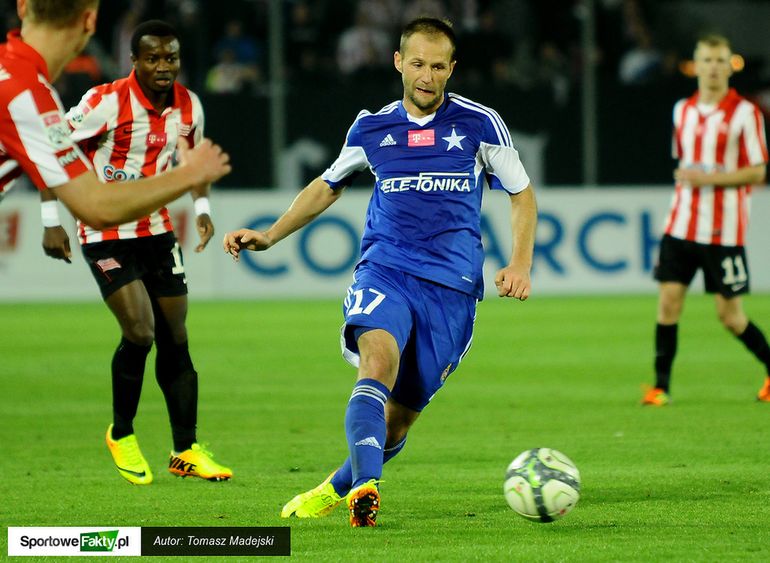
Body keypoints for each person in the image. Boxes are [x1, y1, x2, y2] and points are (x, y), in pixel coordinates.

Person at [223, 17, 537, 527]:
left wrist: (520, 261)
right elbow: (328, 184)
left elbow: (521, 193)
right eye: (418, 64)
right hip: (386, 270)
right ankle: (366, 488)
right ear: (398, 63)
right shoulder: (371, 128)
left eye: (439, 67)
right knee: (377, 362)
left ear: (452, 68)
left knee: (396, 423)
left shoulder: (481, 123)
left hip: (452, 288)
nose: (427, 76)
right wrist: (270, 234)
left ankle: (336, 486)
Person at [39, 20, 232, 485]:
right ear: (134, 61)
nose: (163, 67)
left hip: (156, 230)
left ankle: (185, 450)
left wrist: (202, 207)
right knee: (140, 331)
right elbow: (51, 149)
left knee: (175, 337)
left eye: (171, 58)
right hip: (104, 229)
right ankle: (121, 433)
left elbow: (194, 162)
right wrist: (50, 219)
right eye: (153, 58)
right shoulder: (105, 102)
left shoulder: (189, 106)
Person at [0, 0, 230, 230]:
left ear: (22, 6)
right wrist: (189, 174)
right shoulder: (26, 97)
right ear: (89, 21)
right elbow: (97, 207)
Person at [642, 34, 770, 407]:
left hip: (723, 231)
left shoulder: (745, 113)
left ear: (730, 66)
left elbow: (758, 171)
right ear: (696, 66)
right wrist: (693, 179)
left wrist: (708, 179)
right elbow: (685, 164)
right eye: (707, 60)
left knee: (730, 316)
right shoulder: (682, 110)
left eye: (720, 61)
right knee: (668, 303)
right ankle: (660, 387)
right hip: (680, 225)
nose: (713, 67)